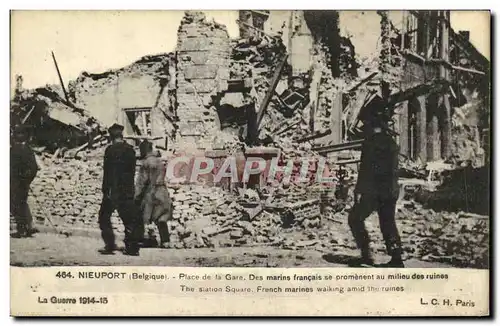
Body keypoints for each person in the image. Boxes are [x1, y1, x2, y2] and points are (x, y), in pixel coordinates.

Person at [348, 111, 404, 268]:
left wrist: (358, 190)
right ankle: (396, 258)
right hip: (390, 191)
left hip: (373, 191)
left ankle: (366, 254)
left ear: (371, 126)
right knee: (388, 222)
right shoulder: (392, 143)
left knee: (354, 218)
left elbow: (366, 169)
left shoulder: (370, 143)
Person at [98, 123, 143, 256]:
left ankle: (110, 244)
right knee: (129, 220)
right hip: (127, 189)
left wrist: (106, 190)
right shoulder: (130, 150)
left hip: (113, 190)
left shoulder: (110, 150)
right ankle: (132, 248)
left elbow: (108, 173)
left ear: (111, 136)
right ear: (121, 135)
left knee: (104, 217)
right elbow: (132, 170)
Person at [135, 140, 172, 248]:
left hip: (150, 192)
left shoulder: (146, 163)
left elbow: (142, 182)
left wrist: (136, 196)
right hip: (162, 191)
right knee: (161, 217)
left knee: (146, 216)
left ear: (144, 150)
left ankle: (149, 239)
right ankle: (165, 241)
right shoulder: (160, 162)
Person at [10, 126, 39, 237]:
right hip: (13, 183)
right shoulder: (13, 150)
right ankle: (27, 226)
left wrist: (26, 180)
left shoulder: (26, 150)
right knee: (19, 204)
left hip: (20, 183)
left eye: (18, 134)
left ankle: (23, 229)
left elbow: (33, 168)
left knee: (18, 205)